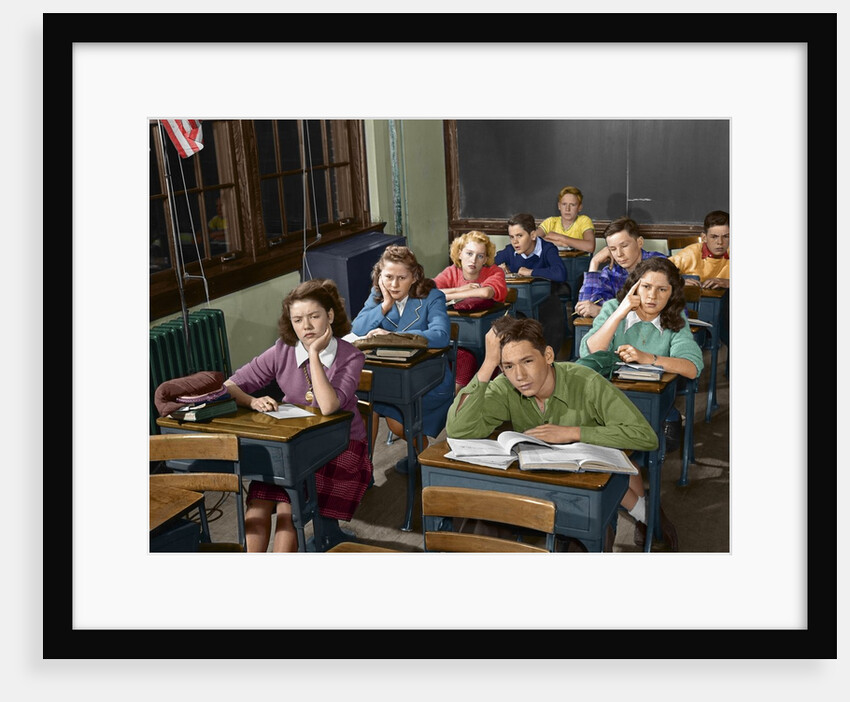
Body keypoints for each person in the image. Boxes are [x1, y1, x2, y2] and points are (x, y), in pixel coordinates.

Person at [445, 315, 674, 551]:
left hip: (583, 497)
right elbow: (458, 429)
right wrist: (488, 363)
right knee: (479, 521)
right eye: (508, 366)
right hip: (533, 489)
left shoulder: (587, 382)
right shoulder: (505, 387)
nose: (519, 376)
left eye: (527, 361)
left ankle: (645, 514)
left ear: (548, 356)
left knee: (581, 543)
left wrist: (573, 433)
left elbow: (645, 435)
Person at [224, 279, 373, 553]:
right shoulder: (282, 350)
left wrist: (314, 354)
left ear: (329, 315)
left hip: (342, 446)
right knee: (259, 500)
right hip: (295, 442)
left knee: (287, 503)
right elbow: (231, 385)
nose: (306, 326)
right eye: (297, 319)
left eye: (314, 316)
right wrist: (253, 400)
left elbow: (328, 406)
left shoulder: (351, 356)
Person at [350, 245, 454, 472]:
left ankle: (424, 458)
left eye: (401, 278)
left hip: (428, 379)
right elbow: (357, 329)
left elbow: (441, 336)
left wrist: (393, 337)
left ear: (415, 276)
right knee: (366, 404)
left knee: (398, 425)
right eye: (388, 277)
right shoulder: (378, 297)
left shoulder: (432, 296)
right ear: (380, 276)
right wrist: (385, 306)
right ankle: (364, 470)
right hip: (389, 377)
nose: (394, 285)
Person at [433, 230, 508, 392]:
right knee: (456, 363)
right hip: (458, 338)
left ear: (486, 259)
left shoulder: (495, 272)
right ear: (459, 253)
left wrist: (450, 293)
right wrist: (464, 289)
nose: (473, 260)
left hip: (491, 335)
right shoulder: (451, 271)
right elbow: (428, 292)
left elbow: (485, 293)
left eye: (480, 256)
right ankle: (454, 405)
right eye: (469, 253)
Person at [495, 212, 569, 358]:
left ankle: (546, 358)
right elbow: (489, 263)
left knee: (552, 319)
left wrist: (531, 271)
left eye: (519, 236)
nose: (515, 241)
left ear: (533, 235)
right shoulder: (510, 251)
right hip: (520, 299)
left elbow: (560, 273)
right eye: (511, 237)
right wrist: (498, 270)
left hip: (546, 297)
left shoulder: (547, 249)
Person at [574, 216, 666, 319]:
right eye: (613, 249)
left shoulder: (658, 264)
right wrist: (594, 263)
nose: (619, 254)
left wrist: (601, 311)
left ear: (639, 242)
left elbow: (652, 311)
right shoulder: (611, 271)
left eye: (624, 246)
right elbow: (585, 308)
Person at [668, 209, 730, 290]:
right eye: (714, 237)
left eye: (726, 236)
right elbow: (657, 271)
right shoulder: (690, 254)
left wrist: (729, 282)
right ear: (704, 237)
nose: (720, 242)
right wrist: (679, 281)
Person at [533, 185, 596, 253]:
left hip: (576, 262)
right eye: (564, 204)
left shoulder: (584, 220)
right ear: (559, 206)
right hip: (552, 262)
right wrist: (561, 244)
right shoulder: (550, 222)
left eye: (572, 205)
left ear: (579, 207)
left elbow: (590, 246)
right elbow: (532, 240)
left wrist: (560, 238)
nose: (567, 209)